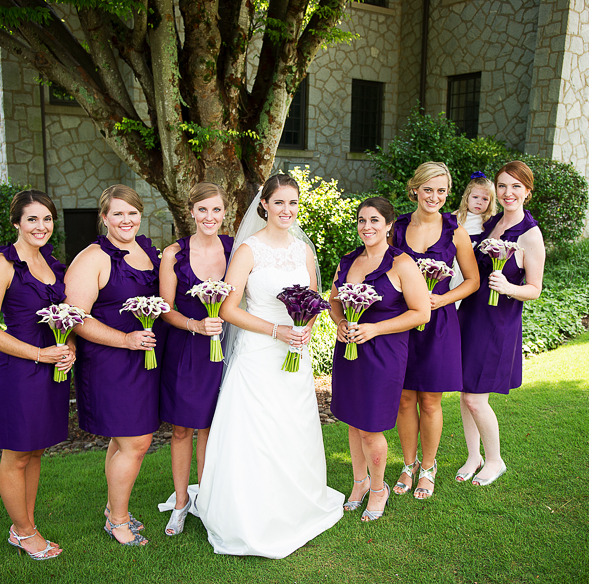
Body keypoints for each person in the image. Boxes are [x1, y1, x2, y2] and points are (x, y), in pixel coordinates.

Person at [196, 173, 344, 558]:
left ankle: (296, 505)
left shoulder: (303, 251)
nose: (286, 210)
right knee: (258, 430)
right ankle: (251, 514)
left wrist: (304, 328)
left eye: (293, 203)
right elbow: (228, 309)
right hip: (259, 353)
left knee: (292, 425)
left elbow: (313, 301)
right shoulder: (248, 250)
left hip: (295, 353)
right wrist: (277, 330)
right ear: (264, 205)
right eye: (279, 202)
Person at [0, 190, 73, 560]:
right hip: (18, 372)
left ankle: (25, 524)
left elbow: (67, 319)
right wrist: (38, 354)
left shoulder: (53, 265)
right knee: (16, 455)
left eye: (47, 219)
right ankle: (26, 532)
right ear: (16, 222)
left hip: (50, 372)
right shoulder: (3, 264)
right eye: (32, 219)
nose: (41, 226)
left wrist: (69, 349)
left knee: (35, 452)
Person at [64, 185, 163, 546]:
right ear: (104, 218)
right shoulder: (92, 258)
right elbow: (75, 318)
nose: (126, 220)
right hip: (110, 361)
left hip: (145, 359)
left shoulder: (146, 251)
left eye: (132, 212)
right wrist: (125, 339)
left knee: (125, 440)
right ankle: (118, 520)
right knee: (136, 441)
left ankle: (113, 509)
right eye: (117, 213)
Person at [328, 197, 432, 521]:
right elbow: (333, 300)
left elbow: (421, 312)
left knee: (371, 428)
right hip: (348, 351)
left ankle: (378, 489)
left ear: (389, 225)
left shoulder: (402, 264)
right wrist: (341, 323)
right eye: (362, 220)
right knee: (352, 419)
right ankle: (359, 483)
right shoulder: (348, 261)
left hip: (383, 355)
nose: (367, 227)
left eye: (375, 220)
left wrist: (375, 329)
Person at [390, 161, 480, 499]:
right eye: (428, 189)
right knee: (403, 398)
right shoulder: (395, 228)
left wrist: (441, 300)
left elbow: (472, 281)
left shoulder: (455, 231)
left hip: (439, 324)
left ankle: (428, 467)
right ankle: (408, 464)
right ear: (415, 189)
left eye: (441, 191)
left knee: (429, 400)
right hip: (402, 323)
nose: (434, 196)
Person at [457, 160, 546, 486]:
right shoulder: (492, 222)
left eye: (516, 187)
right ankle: (473, 456)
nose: (509, 192)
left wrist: (508, 288)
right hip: (470, 316)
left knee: (475, 398)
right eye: (503, 186)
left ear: (527, 192)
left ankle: (495, 460)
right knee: (465, 391)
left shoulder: (530, 235)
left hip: (498, 323)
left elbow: (534, 289)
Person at [157, 182, 233, 536]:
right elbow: (164, 309)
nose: (209, 217)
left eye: (216, 210)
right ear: (191, 212)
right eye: (202, 209)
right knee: (182, 427)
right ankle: (181, 502)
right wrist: (195, 325)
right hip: (185, 349)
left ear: (224, 212)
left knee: (210, 427)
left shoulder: (235, 249)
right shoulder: (174, 254)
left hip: (225, 349)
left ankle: (205, 498)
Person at [450, 172, 497, 302]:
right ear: (467, 197)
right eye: (475, 197)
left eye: (485, 199)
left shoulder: (489, 222)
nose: (479, 202)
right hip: (454, 266)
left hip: (474, 269)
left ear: (491, 201)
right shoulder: (456, 217)